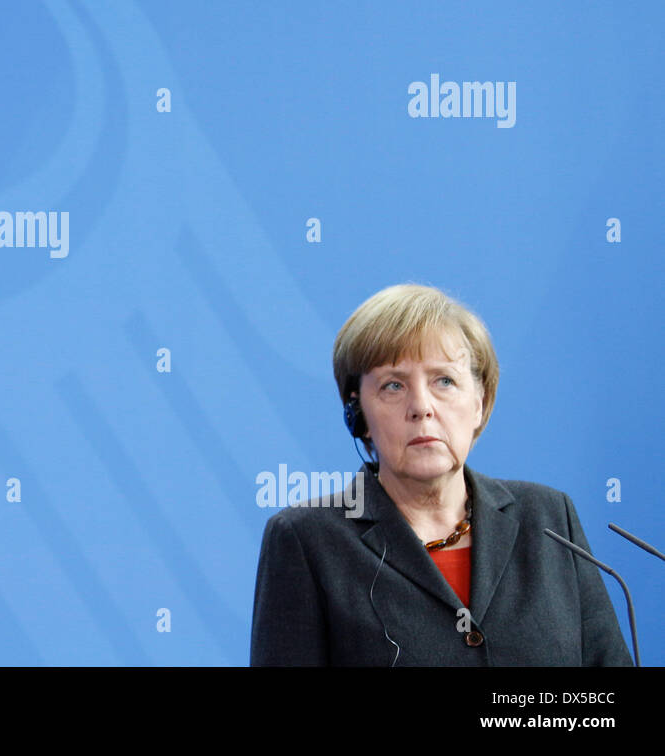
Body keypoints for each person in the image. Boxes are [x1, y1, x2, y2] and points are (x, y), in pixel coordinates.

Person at [249, 284, 631, 666]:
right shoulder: (306, 540)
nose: (421, 407)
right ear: (358, 416)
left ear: (479, 402)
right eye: (393, 385)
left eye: (444, 381)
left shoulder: (549, 517)